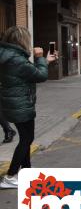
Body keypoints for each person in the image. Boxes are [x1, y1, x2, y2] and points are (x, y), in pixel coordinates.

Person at [0, 26, 57, 189]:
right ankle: (10, 176)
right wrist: (40, 58)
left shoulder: (9, 56)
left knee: (26, 138)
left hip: (14, 103)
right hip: (20, 104)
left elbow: (29, 72)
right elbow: (40, 75)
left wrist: (45, 61)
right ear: (21, 40)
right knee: (26, 139)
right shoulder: (17, 59)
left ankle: (26, 171)